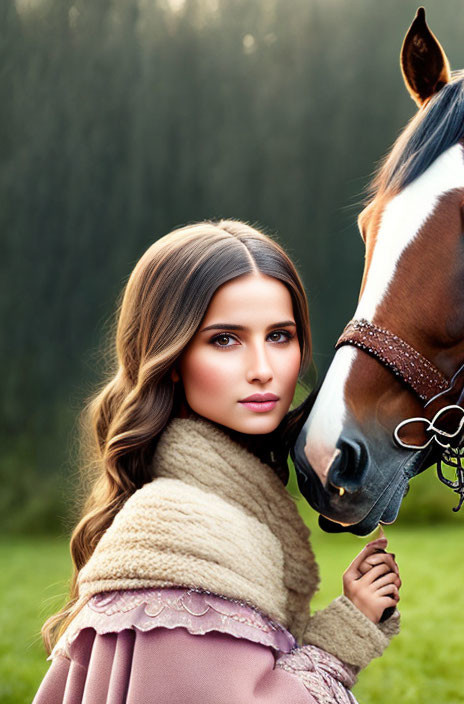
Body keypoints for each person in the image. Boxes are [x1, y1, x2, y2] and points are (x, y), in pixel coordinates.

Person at [33, 220, 400, 704]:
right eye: (225, 339)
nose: (263, 370)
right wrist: (342, 639)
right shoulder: (181, 530)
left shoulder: (210, 510)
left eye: (279, 336)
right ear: (169, 356)